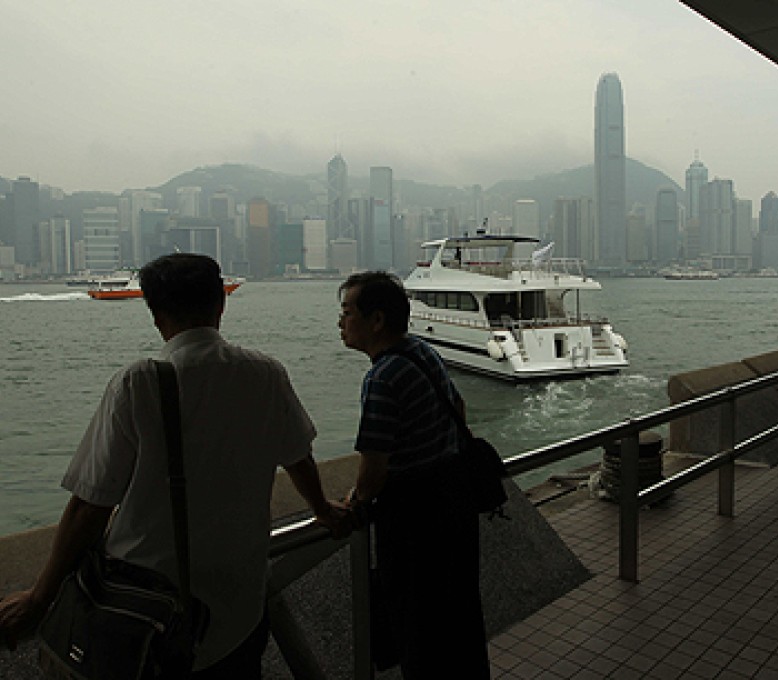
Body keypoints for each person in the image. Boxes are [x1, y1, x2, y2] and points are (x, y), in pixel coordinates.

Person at [0, 253, 348, 676]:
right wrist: (324, 510)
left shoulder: (138, 382)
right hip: (240, 606)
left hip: (145, 612)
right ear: (221, 303)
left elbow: (88, 507)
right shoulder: (266, 373)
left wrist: (39, 597)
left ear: (154, 313)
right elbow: (298, 458)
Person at [338, 271, 490, 679]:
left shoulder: (382, 377)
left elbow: (374, 467)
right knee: (459, 615)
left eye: (348, 312)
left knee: (417, 624)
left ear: (377, 321)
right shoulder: (422, 351)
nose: (341, 322)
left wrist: (356, 501)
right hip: (454, 499)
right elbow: (458, 408)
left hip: (414, 518)